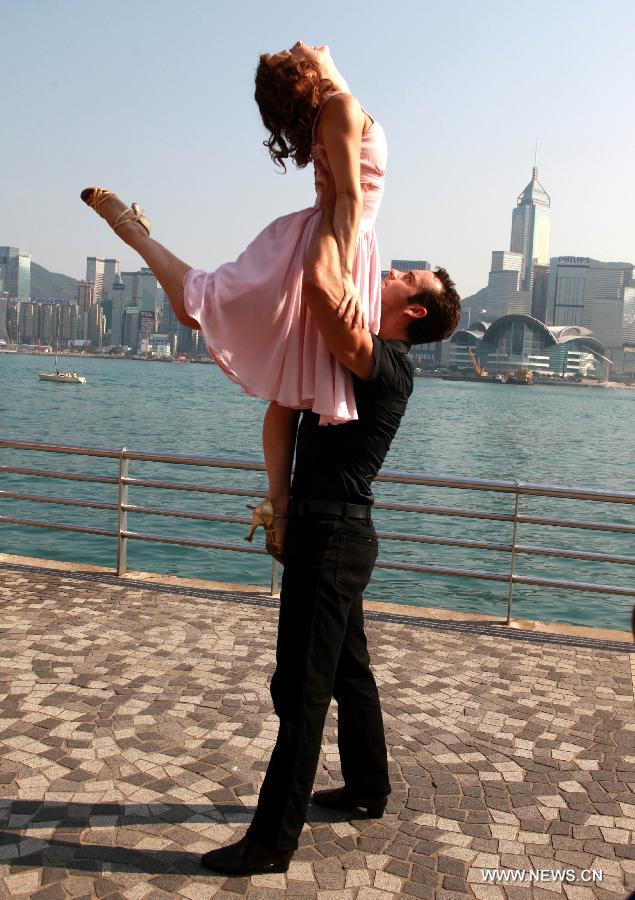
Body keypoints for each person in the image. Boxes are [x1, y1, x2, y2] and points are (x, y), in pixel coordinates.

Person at [197, 189, 461, 875]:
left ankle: (270, 841)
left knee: (301, 690)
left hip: (335, 537)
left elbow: (320, 294)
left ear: (414, 312)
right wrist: (278, 503)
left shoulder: (388, 365)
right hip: (333, 532)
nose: (391, 272)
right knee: (348, 671)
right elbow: (284, 405)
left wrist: (335, 217)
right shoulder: (344, 365)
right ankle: (368, 788)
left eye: (405, 278)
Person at [81, 40, 387, 559]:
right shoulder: (340, 109)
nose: (302, 44)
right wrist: (345, 279)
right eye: (298, 54)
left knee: (288, 389)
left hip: (339, 241)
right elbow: (351, 199)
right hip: (330, 244)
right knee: (197, 305)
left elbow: (333, 74)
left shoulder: (340, 105)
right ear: (308, 79)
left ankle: (278, 508)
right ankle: (131, 230)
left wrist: (319, 63)